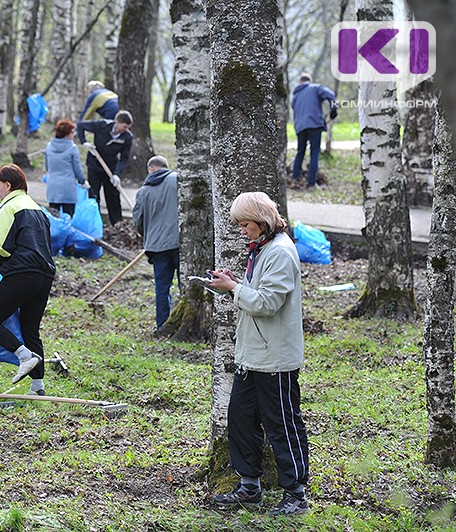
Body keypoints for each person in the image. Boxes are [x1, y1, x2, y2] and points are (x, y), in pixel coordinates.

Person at [206, 192, 310, 517]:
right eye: (239, 224)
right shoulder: (263, 248)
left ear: (262, 220)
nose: (242, 230)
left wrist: (234, 289)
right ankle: (249, 485)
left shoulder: (279, 251)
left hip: (274, 358)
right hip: (252, 355)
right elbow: (258, 293)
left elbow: (267, 303)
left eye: (245, 224)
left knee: (282, 424)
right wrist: (236, 283)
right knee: (240, 419)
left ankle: (296, 493)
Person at [0, 164, 55, 396]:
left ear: (8, 185)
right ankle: (38, 387)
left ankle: (23, 356)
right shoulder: (37, 208)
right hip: (45, 275)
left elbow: (2, 248)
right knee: (31, 329)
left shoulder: (10, 206)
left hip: (22, 273)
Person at [132, 156, 179, 329]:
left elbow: (137, 221)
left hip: (157, 247)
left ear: (151, 169)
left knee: (162, 288)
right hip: (180, 243)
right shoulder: (177, 180)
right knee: (186, 286)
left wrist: (150, 235)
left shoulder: (143, 191)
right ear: (165, 167)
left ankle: (162, 325)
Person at [76, 110, 134, 226]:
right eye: (124, 126)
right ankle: (94, 223)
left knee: (113, 197)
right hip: (94, 165)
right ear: (117, 122)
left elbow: (124, 159)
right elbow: (80, 125)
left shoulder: (127, 137)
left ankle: (117, 224)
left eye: (128, 127)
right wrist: (84, 142)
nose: (126, 129)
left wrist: (117, 174)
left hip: (110, 169)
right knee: (93, 195)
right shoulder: (102, 125)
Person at [291, 73, 337, 188]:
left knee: (300, 152)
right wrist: (333, 110)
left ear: (300, 82)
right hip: (314, 124)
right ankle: (311, 183)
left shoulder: (296, 95)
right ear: (309, 81)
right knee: (314, 152)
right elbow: (331, 95)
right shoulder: (315, 88)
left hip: (300, 127)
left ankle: (295, 179)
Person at [45, 118, 86, 217]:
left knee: (54, 218)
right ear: (67, 134)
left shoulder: (49, 147)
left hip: (52, 187)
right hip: (68, 188)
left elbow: (47, 166)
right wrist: (82, 181)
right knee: (68, 217)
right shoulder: (72, 148)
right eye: (72, 132)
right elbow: (77, 169)